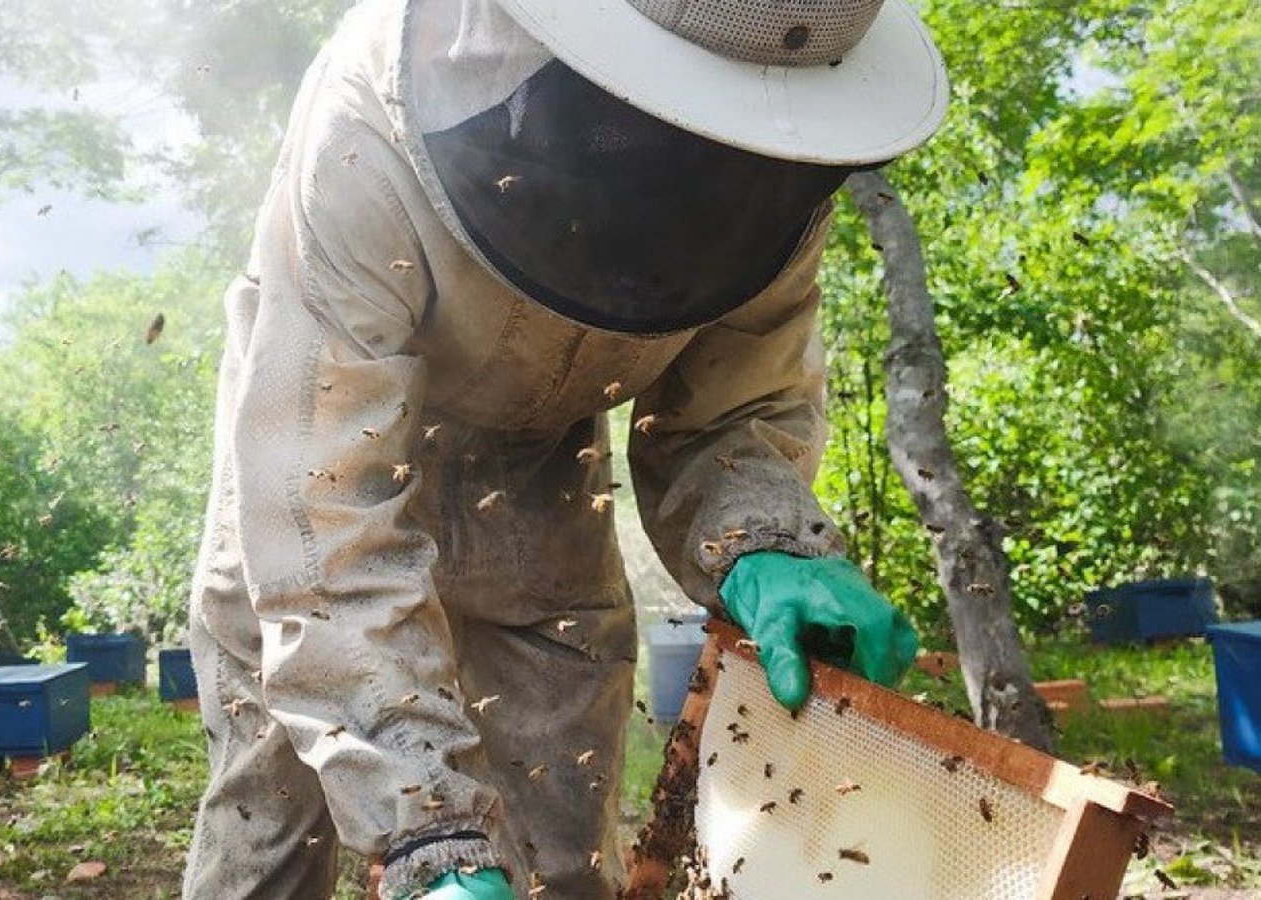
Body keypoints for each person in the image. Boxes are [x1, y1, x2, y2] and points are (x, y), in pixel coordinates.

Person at [182, 0, 948, 897]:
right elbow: (322, 504)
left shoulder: (777, 171)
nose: (722, 177)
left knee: (563, 840)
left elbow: (731, 405)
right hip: (317, 448)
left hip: (542, 471)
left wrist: (766, 539)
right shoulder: (366, 126)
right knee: (273, 812)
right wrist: (427, 836)